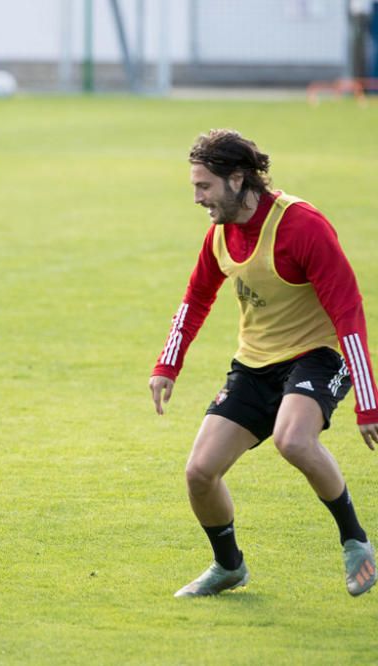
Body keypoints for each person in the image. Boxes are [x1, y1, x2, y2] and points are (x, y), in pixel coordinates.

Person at [150, 129, 378, 598]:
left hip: (317, 355)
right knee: (199, 472)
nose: (196, 198)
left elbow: (348, 311)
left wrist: (368, 403)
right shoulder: (219, 235)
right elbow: (196, 298)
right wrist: (167, 365)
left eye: (203, 186)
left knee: (293, 439)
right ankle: (228, 566)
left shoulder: (302, 226)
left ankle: (355, 540)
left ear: (237, 180)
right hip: (254, 364)